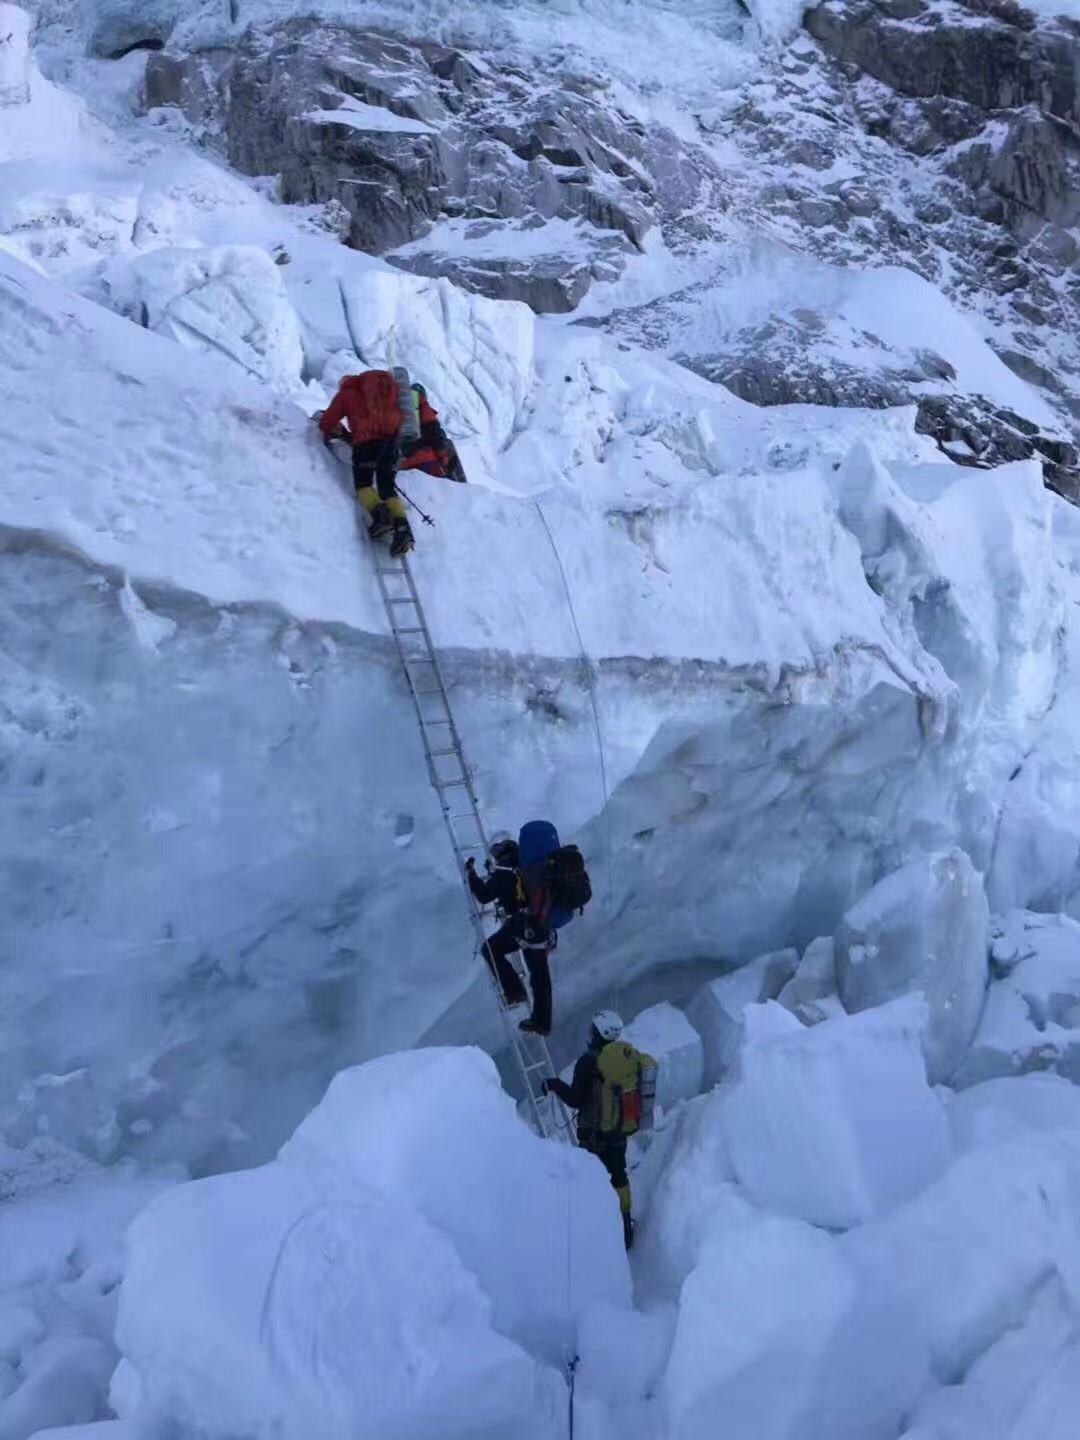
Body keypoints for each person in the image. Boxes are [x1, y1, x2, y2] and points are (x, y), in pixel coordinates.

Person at [543, 1011, 657, 1250]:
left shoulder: (588, 1062)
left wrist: (553, 1084)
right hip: (618, 1134)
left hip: (593, 1136)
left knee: (593, 1183)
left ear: (597, 1033)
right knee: (619, 1177)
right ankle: (625, 1227)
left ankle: (599, 1235)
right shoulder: (625, 1057)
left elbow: (575, 1099)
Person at [318, 368, 461, 558]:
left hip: (366, 445)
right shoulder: (388, 391)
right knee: (387, 487)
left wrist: (333, 429)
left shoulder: (346, 394)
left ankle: (380, 517)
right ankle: (403, 529)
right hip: (392, 444)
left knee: (364, 485)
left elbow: (327, 422)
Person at [466, 836, 553, 1032]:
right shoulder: (530, 869)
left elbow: (484, 895)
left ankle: (514, 992)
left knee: (491, 949)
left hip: (521, 927)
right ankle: (542, 1022)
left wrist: (471, 874)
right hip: (541, 926)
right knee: (540, 977)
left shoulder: (502, 875)